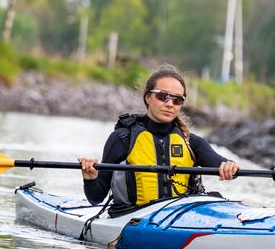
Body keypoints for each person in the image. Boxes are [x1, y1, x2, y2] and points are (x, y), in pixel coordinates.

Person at [78, 64, 239, 216]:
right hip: (130, 217)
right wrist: (90, 178)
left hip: (180, 218)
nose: (170, 104)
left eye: (177, 100)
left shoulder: (192, 142)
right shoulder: (122, 139)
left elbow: (220, 163)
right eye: (163, 96)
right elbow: (96, 198)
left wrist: (230, 166)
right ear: (148, 97)